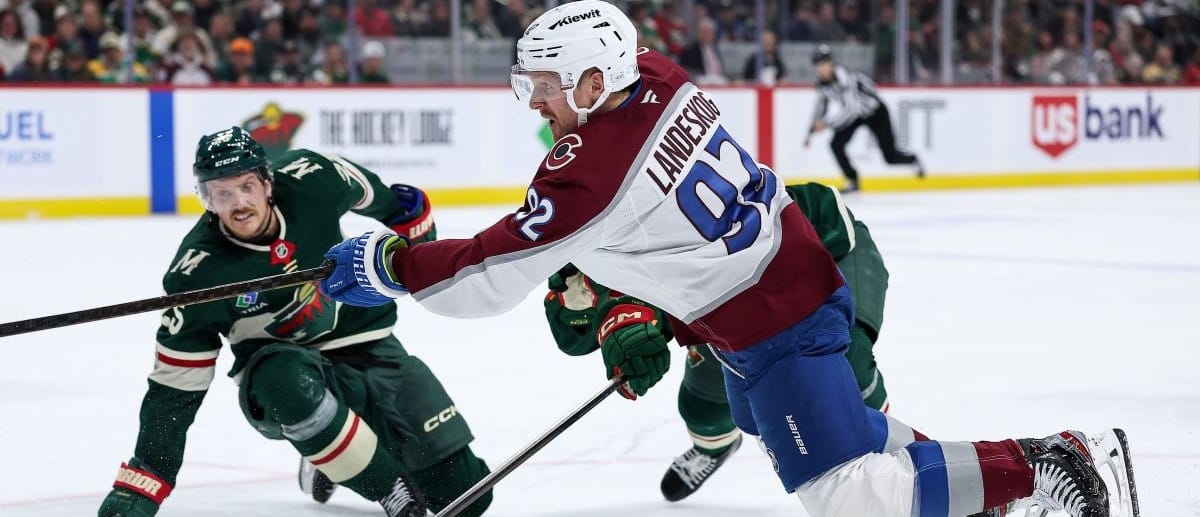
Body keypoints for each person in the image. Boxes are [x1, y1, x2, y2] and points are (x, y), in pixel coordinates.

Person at [318, 3, 1135, 516]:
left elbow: (486, 278)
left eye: (545, 85)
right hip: (781, 284)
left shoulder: (591, 171)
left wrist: (389, 264)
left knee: (844, 495)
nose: (534, 101)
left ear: (596, 77)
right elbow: (631, 224)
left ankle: (1045, 463)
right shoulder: (659, 75)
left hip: (774, 316)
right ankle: (986, 491)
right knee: (823, 432)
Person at [97, 127, 492, 517]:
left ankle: (327, 452)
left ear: (267, 183)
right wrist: (144, 483)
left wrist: (413, 228)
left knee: (467, 496)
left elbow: (384, 201)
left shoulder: (313, 178)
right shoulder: (196, 275)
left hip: (366, 341)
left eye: (247, 186)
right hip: (280, 377)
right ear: (207, 200)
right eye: (221, 193)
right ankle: (386, 485)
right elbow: (174, 392)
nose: (238, 203)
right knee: (287, 381)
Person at [542, 181, 892, 502]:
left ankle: (887, 455)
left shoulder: (663, 222)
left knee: (848, 360)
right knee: (703, 407)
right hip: (733, 295)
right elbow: (572, 338)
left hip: (825, 247)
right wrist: (599, 310)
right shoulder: (592, 267)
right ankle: (713, 448)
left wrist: (627, 307)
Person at [806, 44, 922, 193]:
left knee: (890, 156)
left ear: (832, 63)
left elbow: (851, 108)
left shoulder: (845, 77)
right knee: (836, 144)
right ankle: (853, 179)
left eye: (824, 63)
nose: (821, 68)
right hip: (856, 115)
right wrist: (810, 131)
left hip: (875, 112)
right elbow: (821, 106)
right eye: (818, 65)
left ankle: (912, 159)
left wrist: (827, 123)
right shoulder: (822, 84)